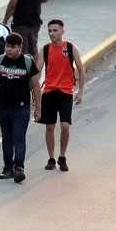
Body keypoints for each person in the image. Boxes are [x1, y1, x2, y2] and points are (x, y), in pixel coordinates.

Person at [0, 33, 41, 184]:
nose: (9, 49)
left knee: (18, 138)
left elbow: (36, 86)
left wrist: (38, 108)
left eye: (12, 47)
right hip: (3, 107)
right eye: (7, 46)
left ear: (20, 48)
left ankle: (19, 168)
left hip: (21, 108)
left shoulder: (28, 63)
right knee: (7, 139)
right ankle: (7, 167)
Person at [37, 20, 85, 172]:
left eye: (55, 30)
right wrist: (34, 94)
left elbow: (81, 70)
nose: (52, 33)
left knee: (65, 126)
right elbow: (37, 72)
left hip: (66, 92)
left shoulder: (70, 48)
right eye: (50, 31)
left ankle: (62, 156)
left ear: (62, 31)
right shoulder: (45, 49)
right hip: (49, 92)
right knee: (49, 126)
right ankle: (51, 158)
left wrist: (81, 91)